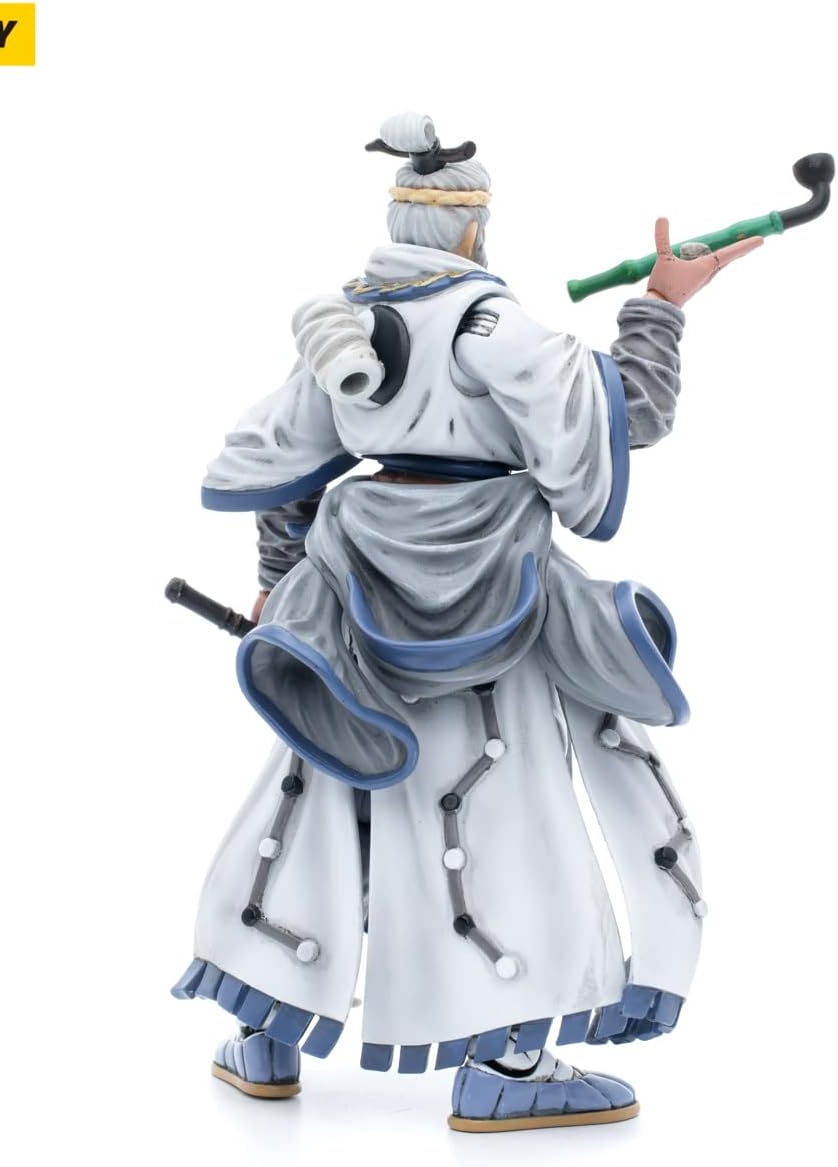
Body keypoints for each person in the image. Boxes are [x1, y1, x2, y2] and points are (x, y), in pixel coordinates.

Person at [171, 112, 762, 1133]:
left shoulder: (344, 326)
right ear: (476, 229)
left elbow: (286, 467)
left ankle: (266, 1029)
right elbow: (627, 414)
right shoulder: (496, 328)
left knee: (321, 792)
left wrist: (278, 580)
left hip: (353, 597)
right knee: (502, 805)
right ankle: (507, 1061)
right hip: (501, 595)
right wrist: (661, 306)